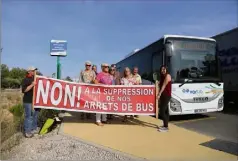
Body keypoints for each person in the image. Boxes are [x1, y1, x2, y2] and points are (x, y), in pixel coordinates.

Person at [22, 66, 40, 138]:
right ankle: (28, 132)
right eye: (32, 71)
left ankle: (34, 129)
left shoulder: (36, 79)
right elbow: (24, 90)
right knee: (29, 117)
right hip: (28, 101)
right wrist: (32, 85)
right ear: (29, 71)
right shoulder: (25, 80)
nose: (34, 72)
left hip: (36, 101)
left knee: (35, 115)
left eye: (34, 71)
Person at [157, 65, 172, 132]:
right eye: (162, 69)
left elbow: (164, 86)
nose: (163, 70)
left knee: (162, 111)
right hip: (163, 95)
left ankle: (166, 127)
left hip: (166, 95)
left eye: (164, 69)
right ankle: (165, 125)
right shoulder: (162, 77)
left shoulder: (167, 76)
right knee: (166, 111)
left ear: (166, 69)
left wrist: (159, 94)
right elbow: (161, 84)